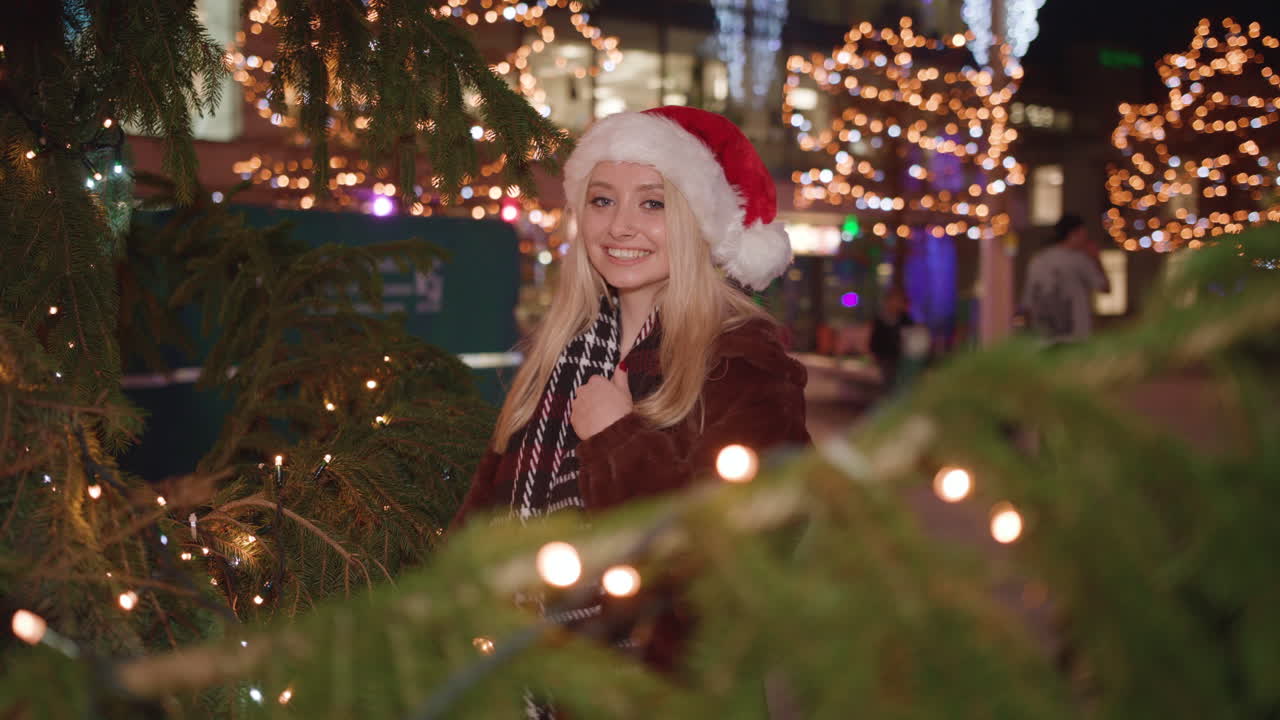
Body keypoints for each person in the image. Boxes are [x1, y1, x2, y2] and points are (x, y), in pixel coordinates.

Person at [450, 107, 810, 673]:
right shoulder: (562, 351)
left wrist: (618, 439)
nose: (620, 226)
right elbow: (483, 523)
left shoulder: (741, 361)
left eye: (652, 202)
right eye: (601, 200)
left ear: (697, 221)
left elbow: (743, 563)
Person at [1020, 213, 1111, 342]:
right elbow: (1105, 288)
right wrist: (1096, 258)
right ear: (1075, 234)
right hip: (1077, 333)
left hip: (1044, 335)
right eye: (1084, 234)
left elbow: (1028, 301)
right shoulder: (1080, 260)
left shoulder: (1038, 260)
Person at [868, 285, 915, 391]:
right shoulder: (881, 319)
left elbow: (912, 336)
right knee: (888, 384)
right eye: (894, 300)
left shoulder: (906, 319)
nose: (896, 304)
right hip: (885, 359)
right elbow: (875, 340)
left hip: (902, 359)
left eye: (899, 301)